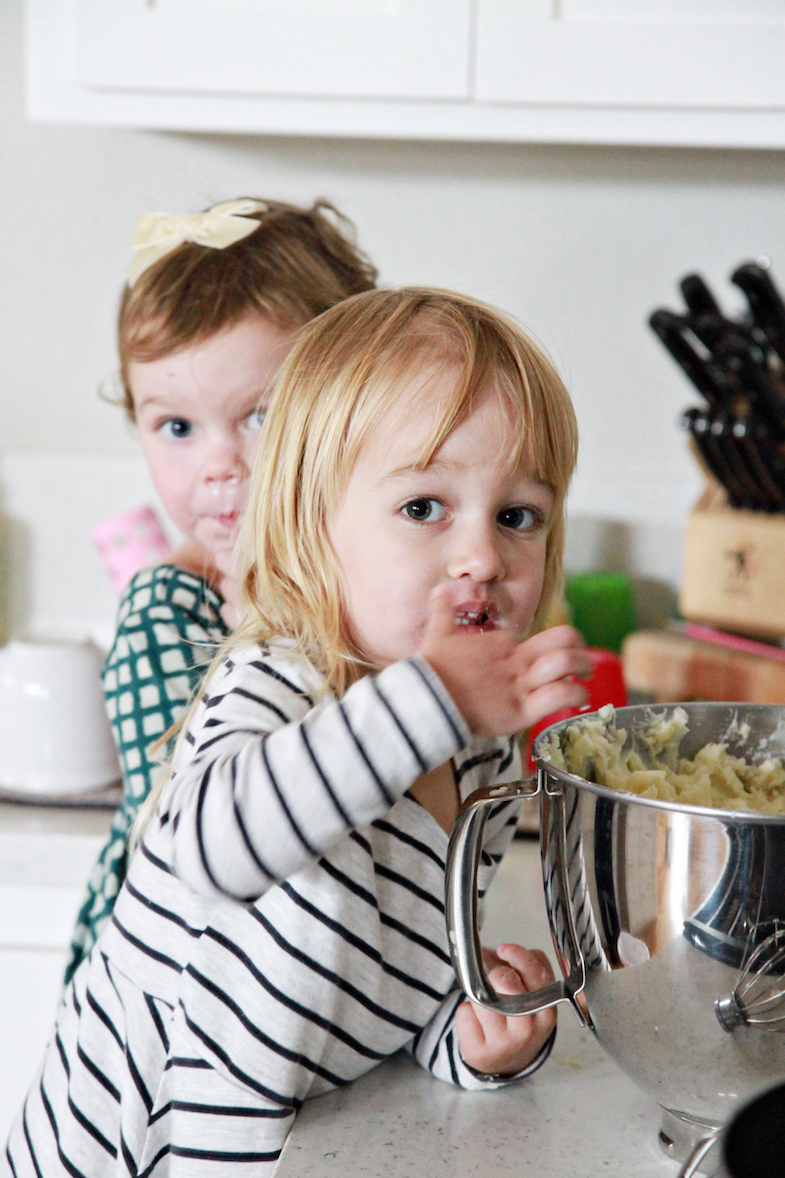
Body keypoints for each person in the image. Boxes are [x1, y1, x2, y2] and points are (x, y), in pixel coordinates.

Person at [7, 288, 589, 1176]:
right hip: (136, 1147)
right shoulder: (281, 677)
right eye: (423, 508)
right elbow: (209, 845)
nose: (483, 556)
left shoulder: (481, 749)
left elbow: (392, 980)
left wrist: (471, 1034)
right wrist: (434, 696)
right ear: (314, 526)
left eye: (517, 517)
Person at [64, 197, 377, 985]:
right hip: (168, 990)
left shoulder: (362, 584)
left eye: (260, 416)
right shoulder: (168, 612)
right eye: (176, 427)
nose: (218, 466)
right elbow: (196, 841)